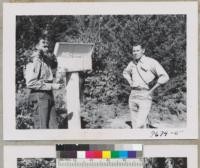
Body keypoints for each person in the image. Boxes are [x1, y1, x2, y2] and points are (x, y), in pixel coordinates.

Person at [123, 44, 169, 128]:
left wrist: (151, 91)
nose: (135, 53)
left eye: (137, 50)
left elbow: (165, 76)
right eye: (134, 51)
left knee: (140, 124)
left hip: (145, 94)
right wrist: (130, 81)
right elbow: (125, 72)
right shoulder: (132, 63)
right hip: (133, 94)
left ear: (143, 51)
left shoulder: (151, 62)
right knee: (135, 125)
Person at [24, 37, 63, 129]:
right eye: (43, 43)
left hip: (48, 95)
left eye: (47, 43)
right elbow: (30, 83)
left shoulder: (45, 60)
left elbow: (46, 77)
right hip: (39, 96)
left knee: (54, 128)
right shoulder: (34, 60)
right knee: (42, 129)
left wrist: (57, 79)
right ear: (36, 46)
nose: (47, 45)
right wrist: (52, 86)